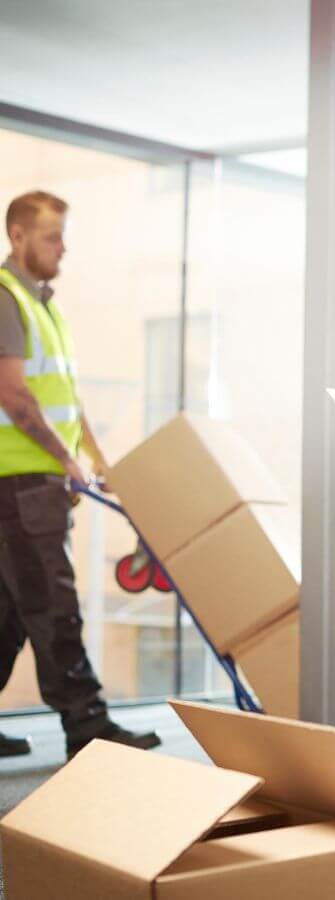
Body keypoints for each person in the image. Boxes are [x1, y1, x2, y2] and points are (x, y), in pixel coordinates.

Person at [0, 190, 160, 759]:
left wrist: (94, 456)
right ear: (17, 236)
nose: (62, 248)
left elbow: (62, 396)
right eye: (51, 236)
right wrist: (65, 461)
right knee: (53, 605)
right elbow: (14, 396)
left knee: (13, 611)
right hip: (20, 484)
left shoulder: (45, 305)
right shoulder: (6, 299)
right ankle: (86, 723)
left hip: (36, 482)